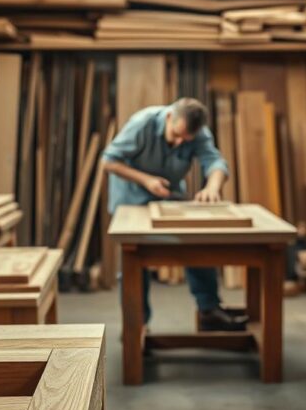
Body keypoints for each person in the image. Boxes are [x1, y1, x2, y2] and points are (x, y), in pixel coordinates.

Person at [102, 97, 248, 331]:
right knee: (133, 256)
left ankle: (209, 309)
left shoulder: (198, 132)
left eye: (186, 140)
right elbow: (108, 162)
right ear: (170, 117)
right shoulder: (142, 124)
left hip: (168, 197)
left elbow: (216, 163)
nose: (180, 142)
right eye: (176, 135)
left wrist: (212, 187)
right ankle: (137, 325)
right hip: (132, 199)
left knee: (198, 246)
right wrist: (146, 180)